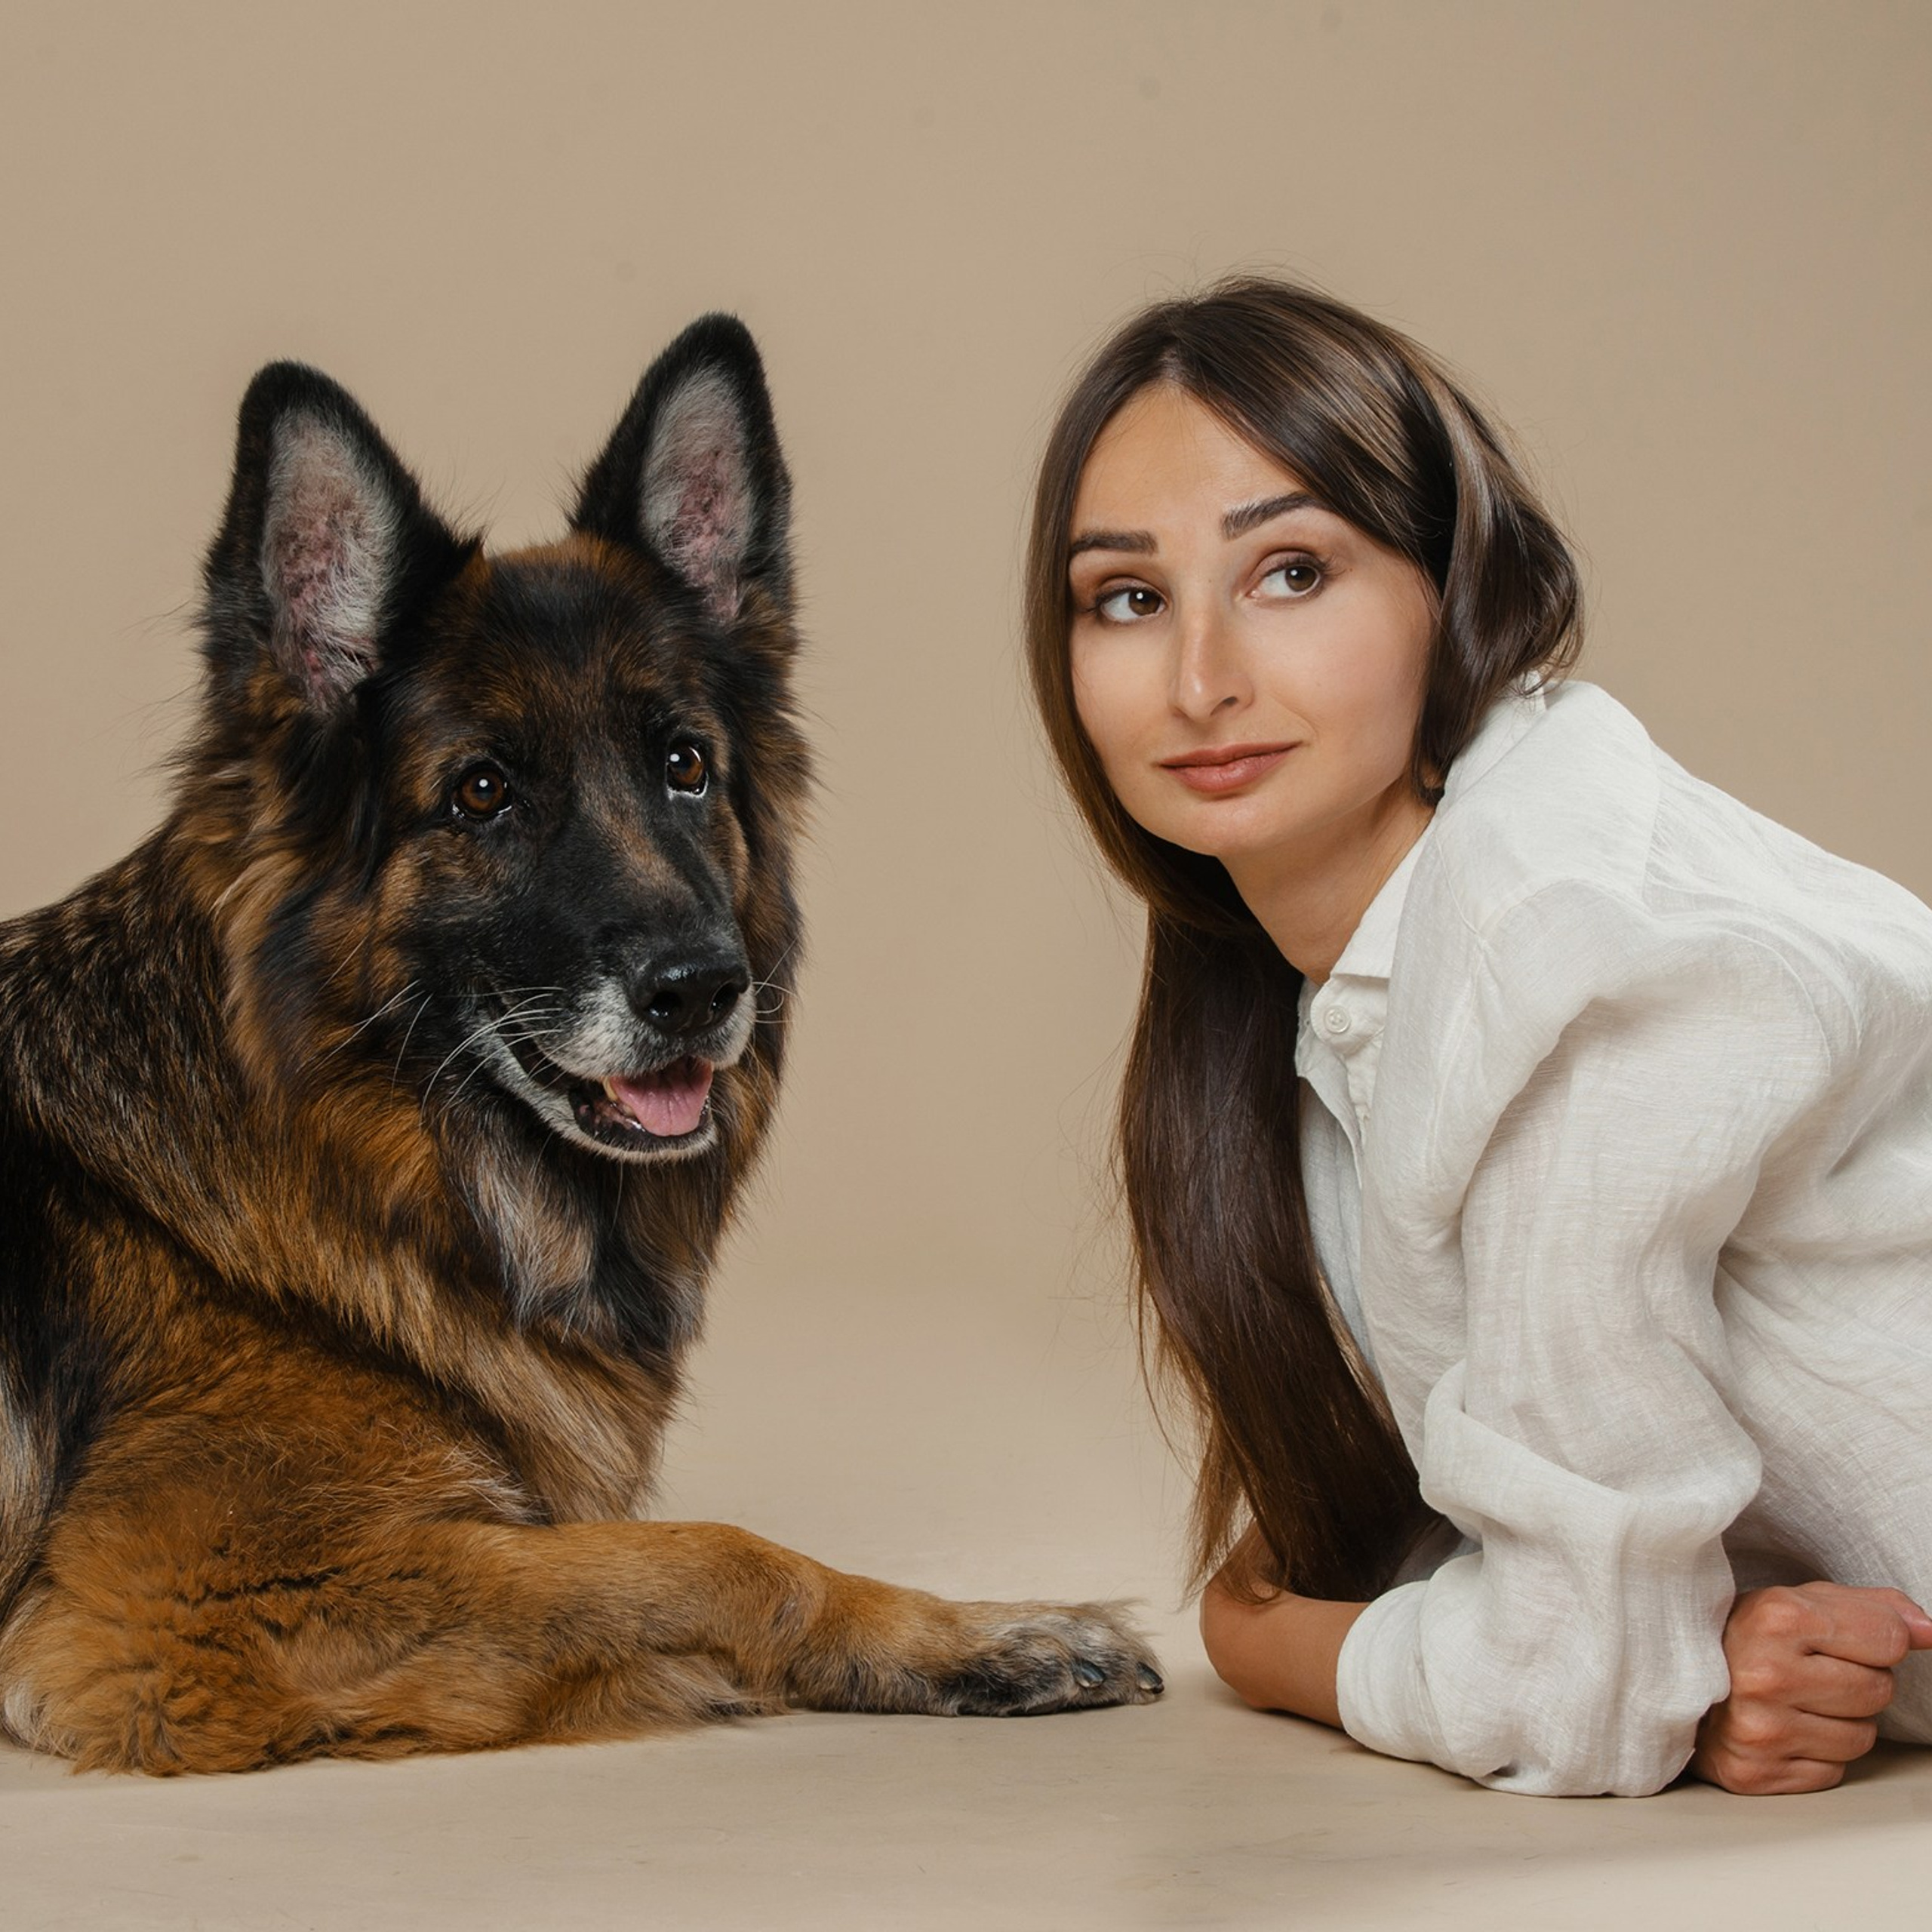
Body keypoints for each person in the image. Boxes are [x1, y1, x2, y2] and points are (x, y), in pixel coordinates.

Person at [1022, 277, 1932, 1798]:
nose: (1199, 680)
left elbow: (1574, 1685)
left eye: (1290, 570)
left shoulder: (1558, 962)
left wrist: (1259, 1641)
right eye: (1127, 596)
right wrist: (1718, 1650)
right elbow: (1571, 1563)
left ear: (1447, 592)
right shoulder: (1332, 1004)